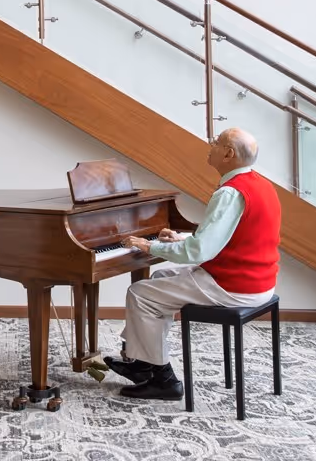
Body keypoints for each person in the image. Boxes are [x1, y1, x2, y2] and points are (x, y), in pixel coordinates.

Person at [105, 128, 281, 400]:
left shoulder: (230, 193)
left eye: (216, 142)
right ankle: (143, 362)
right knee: (159, 276)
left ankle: (164, 381)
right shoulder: (259, 184)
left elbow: (199, 252)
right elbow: (227, 236)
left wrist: (149, 245)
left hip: (233, 286)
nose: (210, 146)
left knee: (139, 294)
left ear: (228, 153)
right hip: (259, 281)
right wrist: (181, 238)